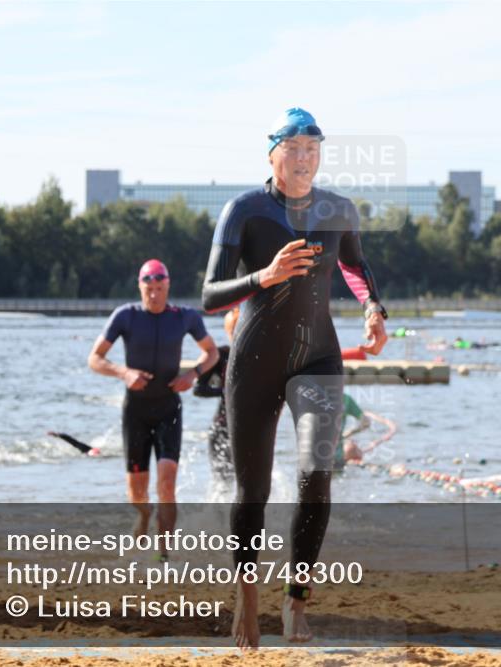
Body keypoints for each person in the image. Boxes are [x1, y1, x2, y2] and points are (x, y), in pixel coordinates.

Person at [201, 107, 388, 648]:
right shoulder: (245, 211)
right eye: (294, 147)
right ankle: (248, 597)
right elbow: (210, 294)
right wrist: (265, 275)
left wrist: (374, 308)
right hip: (255, 360)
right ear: (273, 154)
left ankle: (296, 599)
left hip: (317, 358)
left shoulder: (337, 209)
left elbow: (355, 266)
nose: (304, 157)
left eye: (313, 147)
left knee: (315, 474)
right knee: (252, 489)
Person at [88, 259, 218, 560]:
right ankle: (144, 516)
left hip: (169, 408)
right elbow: (95, 358)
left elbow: (211, 352)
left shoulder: (185, 317)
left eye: (160, 288)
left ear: (168, 286)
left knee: (167, 481)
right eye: (149, 288)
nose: (154, 295)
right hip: (135, 411)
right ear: (140, 286)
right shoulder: (125, 316)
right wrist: (124, 373)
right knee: (137, 491)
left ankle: (163, 553)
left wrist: (193, 374)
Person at [193, 308, 240, 482]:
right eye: (234, 330)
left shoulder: (261, 356)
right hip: (222, 427)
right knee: (223, 483)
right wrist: (224, 392)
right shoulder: (220, 356)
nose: (238, 334)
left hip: (250, 429)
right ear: (228, 332)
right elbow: (198, 389)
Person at [333, 393, 370, 471]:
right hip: (337, 458)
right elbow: (366, 423)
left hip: (313, 457)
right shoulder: (346, 399)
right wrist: (349, 433)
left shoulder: (310, 396)